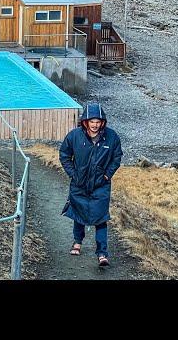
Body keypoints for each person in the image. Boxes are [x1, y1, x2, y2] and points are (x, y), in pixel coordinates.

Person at [59, 103, 123, 267]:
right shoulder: (74, 136)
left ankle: (102, 253)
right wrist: (73, 174)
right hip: (79, 183)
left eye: (98, 121)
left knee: (101, 218)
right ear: (85, 122)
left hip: (101, 185)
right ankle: (77, 242)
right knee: (78, 213)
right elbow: (64, 155)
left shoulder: (111, 137)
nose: (95, 125)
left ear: (103, 122)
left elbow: (117, 157)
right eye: (92, 121)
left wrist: (107, 175)